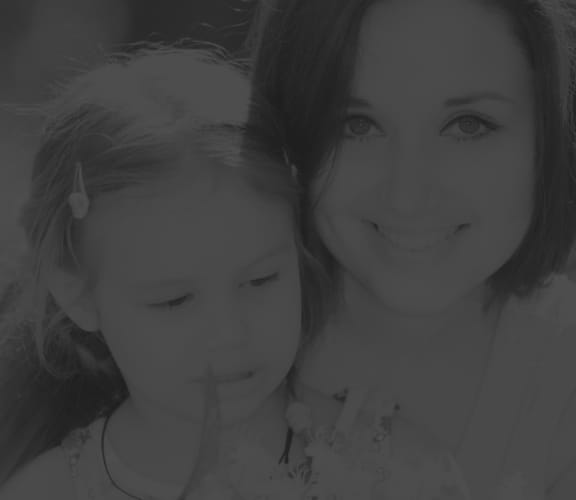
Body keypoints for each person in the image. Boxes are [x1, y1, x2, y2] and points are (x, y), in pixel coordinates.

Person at [248, 0, 576, 498]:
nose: (408, 196)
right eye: (355, 125)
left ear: (547, 133)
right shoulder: (179, 331)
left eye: (468, 124)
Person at [0, 46, 329, 500]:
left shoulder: (388, 463)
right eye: (174, 300)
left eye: (260, 280)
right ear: (77, 294)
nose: (229, 332)